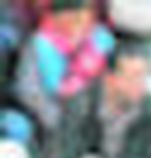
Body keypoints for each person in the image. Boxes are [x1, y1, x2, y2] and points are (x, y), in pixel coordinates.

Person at [51, 38, 151, 158]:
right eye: (133, 76)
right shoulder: (80, 106)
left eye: (143, 76)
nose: (140, 84)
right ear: (110, 78)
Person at [13, 0, 113, 141]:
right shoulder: (40, 44)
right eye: (71, 13)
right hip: (52, 120)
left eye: (84, 13)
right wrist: (57, 120)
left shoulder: (103, 41)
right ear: (56, 16)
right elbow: (28, 90)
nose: (78, 19)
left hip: (97, 120)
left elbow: (114, 84)